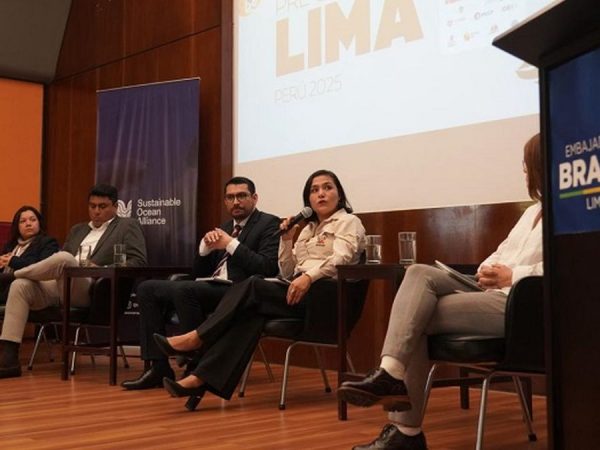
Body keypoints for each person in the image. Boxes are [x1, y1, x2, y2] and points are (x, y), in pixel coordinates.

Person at [337, 134, 543, 450]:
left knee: (415, 319)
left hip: (521, 304)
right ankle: (391, 377)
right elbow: (501, 251)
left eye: (526, 167)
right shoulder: (531, 212)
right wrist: (488, 270)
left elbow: (569, 270)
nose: (524, 173)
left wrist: (512, 275)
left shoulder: (571, 213)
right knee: (418, 272)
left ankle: (405, 432)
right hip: (491, 291)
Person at [153, 169, 366, 406]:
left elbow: (342, 259)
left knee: (253, 283)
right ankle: (198, 379)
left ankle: (196, 337)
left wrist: (309, 277)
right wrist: (286, 240)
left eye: (327, 188)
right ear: (308, 200)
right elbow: (286, 272)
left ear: (339, 194)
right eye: (314, 190)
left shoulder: (349, 222)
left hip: (325, 299)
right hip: (296, 294)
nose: (321, 194)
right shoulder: (307, 229)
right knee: (249, 316)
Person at [121, 176, 280, 390]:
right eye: (230, 197)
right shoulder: (225, 226)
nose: (236, 202)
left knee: (185, 289)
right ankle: (157, 367)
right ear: (225, 201)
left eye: (242, 196)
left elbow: (267, 267)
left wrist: (231, 244)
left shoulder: (269, 224)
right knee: (147, 288)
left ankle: (195, 365)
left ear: (254, 198)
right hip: (212, 286)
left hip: (240, 292)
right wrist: (204, 251)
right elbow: (199, 274)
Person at [0, 183, 147, 379]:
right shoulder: (78, 229)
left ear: (115, 206)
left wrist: (101, 268)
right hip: (61, 284)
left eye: (102, 206)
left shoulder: (127, 226)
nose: (96, 211)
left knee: (65, 258)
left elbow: (139, 261)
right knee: (21, 286)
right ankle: (9, 359)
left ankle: (12, 274)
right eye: (92, 206)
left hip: (91, 288)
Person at [0, 206, 60, 303]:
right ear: (17, 227)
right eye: (23, 221)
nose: (28, 224)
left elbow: (41, 268)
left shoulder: (48, 243)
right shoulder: (11, 245)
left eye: (33, 220)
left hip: (30, 288)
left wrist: (12, 261)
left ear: (39, 223)